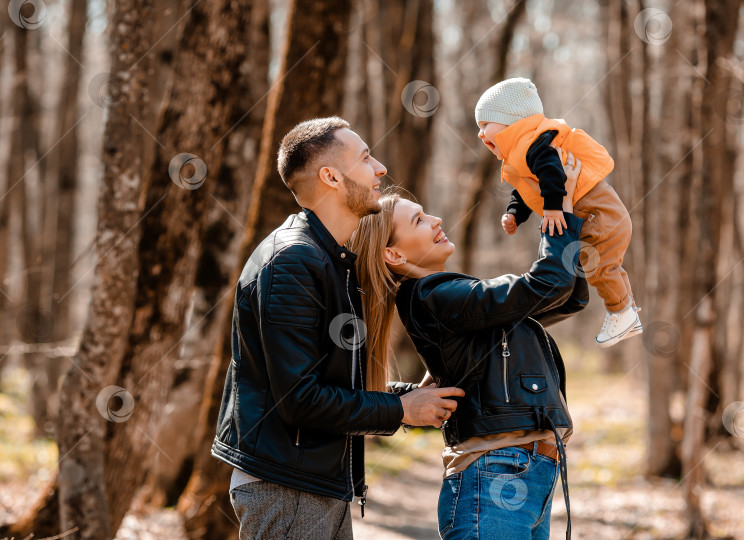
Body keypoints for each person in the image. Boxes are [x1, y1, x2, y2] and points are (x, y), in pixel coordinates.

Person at [211, 116, 465, 539]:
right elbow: (299, 401)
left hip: (311, 482)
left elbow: (332, 382)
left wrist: (410, 397)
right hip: (287, 487)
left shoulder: (331, 261)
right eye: (366, 157)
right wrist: (402, 410)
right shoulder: (292, 262)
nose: (380, 168)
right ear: (330, 176)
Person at [349, 153, 587, 540]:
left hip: (523, 473)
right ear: (393, 254)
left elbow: (568, 298)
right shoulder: (434, 296)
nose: (436, 220)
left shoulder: (448, 300)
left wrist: (570, 217)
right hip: (495, 475)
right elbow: (547, 285)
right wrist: (559, 208)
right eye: (419, 220)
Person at [475, 77, 642, 348]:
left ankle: (622, 313)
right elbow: (528, 189)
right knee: (603, 266)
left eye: (485, 125)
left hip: (599, 214)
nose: (481, 134)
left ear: (511, 121)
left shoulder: (535, 145)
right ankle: (625, 311)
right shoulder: (524, 152)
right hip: (598, 214)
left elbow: (552, 173)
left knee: (600, 267)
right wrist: (515, 213)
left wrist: (553, 208)